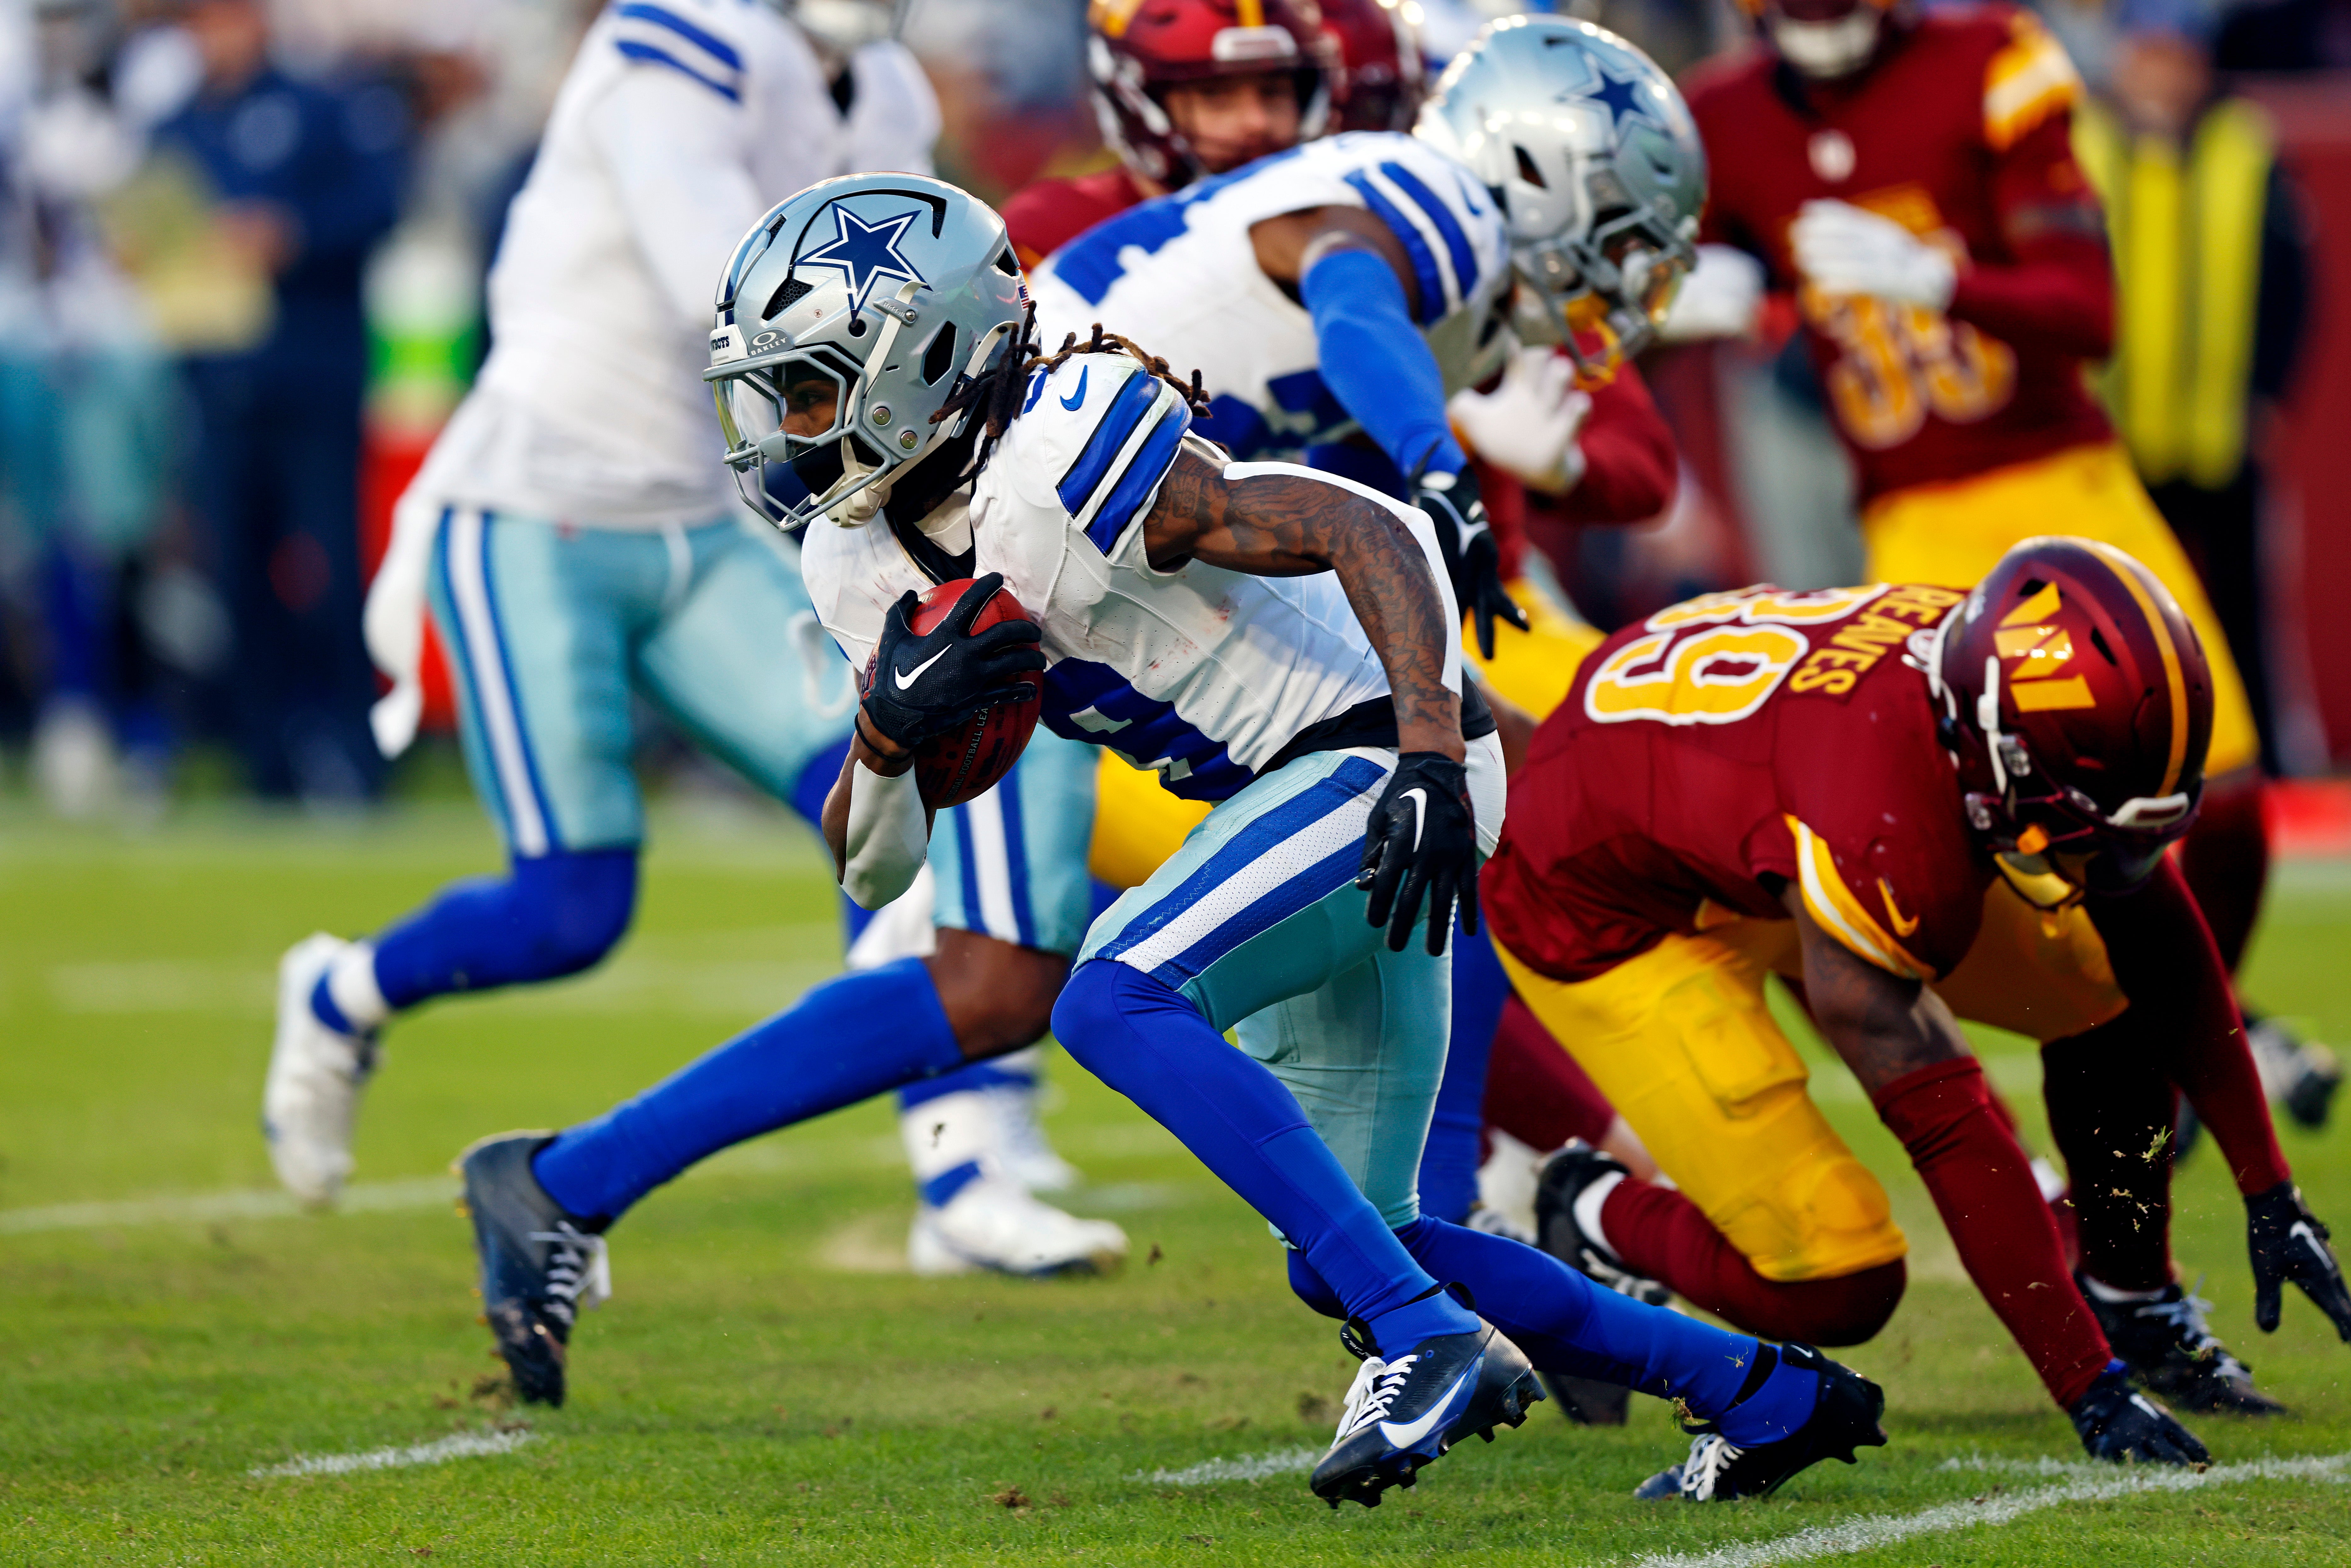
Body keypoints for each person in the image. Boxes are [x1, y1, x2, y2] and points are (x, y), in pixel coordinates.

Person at [455, 161, 1895, 1508]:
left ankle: (1421, 1342)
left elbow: (1359, 524)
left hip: (1359, 756)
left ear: (926, 361)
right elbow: (873, 864)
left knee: (1113, 991)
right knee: (1364, 1234)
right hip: (1292, 793)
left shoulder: (1065, 444)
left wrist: (1421, 744)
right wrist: (887, 739)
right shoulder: (853, 556)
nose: (794, 429)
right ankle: (1758, 1390)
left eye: (818, 389)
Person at [262, 0, 1119, 1277]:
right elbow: (725, 287)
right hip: (539, 509)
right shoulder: (669, 43)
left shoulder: (881, 84)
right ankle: (342, 991)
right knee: (569, 908)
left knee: (905, 782)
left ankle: (965, 1164)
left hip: (711, 521)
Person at [1483, 537, 2351, 1478]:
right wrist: (2084, 1387)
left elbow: (2144, 926)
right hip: (1609, 904)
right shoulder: (1881, 817)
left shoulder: (1985, 673)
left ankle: (2133, 1301)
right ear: (1992, 744)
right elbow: (1950, 1132)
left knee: (2105, 994)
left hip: (1745, 815)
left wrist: (2266, 1186)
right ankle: (1580, 1204)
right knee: (1837, 1277)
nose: (2100, 858)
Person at [1676, 0, 2280, 1121]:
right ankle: (2032, 1101)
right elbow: (1636, 270)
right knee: (1988, 851)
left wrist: (1943, 278)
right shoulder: (1722, 115)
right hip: (1907, 515)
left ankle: (2203, 1034)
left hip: (2062, 475)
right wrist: (1676, 298)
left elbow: (2090, 312)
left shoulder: (1989, 56)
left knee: (2230, 797)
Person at [2072, 0, 2337, 1129]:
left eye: (2178, 56)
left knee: (2235, 658)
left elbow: (2291, 279)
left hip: (2216, 443)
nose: (2163, 76)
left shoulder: (2245, 144)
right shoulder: (2080, 144)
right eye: (2149, 54)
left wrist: (2268, 393)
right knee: (2117, 655)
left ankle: (2245, 807)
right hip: (2116, 448)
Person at [150, 0, 405, 803]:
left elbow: (380, 206)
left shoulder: (321, 105)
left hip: (312, 375)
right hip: (218, 381)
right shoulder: (176, 127)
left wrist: (292, 232)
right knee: (236, 576)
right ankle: (264, 762)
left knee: (331, 570)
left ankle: (356, 758)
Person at [999, 0, 1333, 270]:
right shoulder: (1053, 232)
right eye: (1215, 95)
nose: (1256, 122)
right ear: (1135, 103)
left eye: (1273, 92)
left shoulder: (1336, 215)